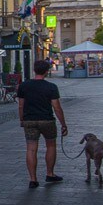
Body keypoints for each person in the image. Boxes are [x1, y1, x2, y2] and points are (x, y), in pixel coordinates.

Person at [17, 59, 68, 189]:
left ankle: (33, 179)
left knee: (31, 148)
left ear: (34, 70)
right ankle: (50, 173)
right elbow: (57, 107)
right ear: (46, 71)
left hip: (29, 120)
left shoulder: (24, 86)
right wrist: (63, 124)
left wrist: (22, 119)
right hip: (47, 120)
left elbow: (21, 105)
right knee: (51, 145)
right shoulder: (51, 87)